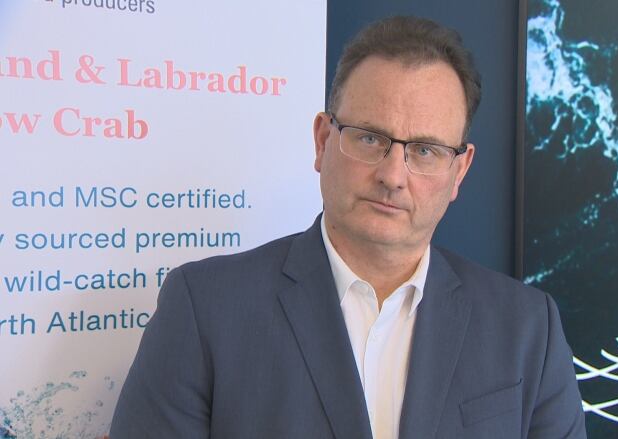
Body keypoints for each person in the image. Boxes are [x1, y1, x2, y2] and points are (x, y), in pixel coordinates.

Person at [110, 16, 587, 439]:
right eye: (370, 138)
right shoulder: (203, 309)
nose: (393, 175)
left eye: (424, 150)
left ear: (459, 171)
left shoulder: (528, 329)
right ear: (322, 141)